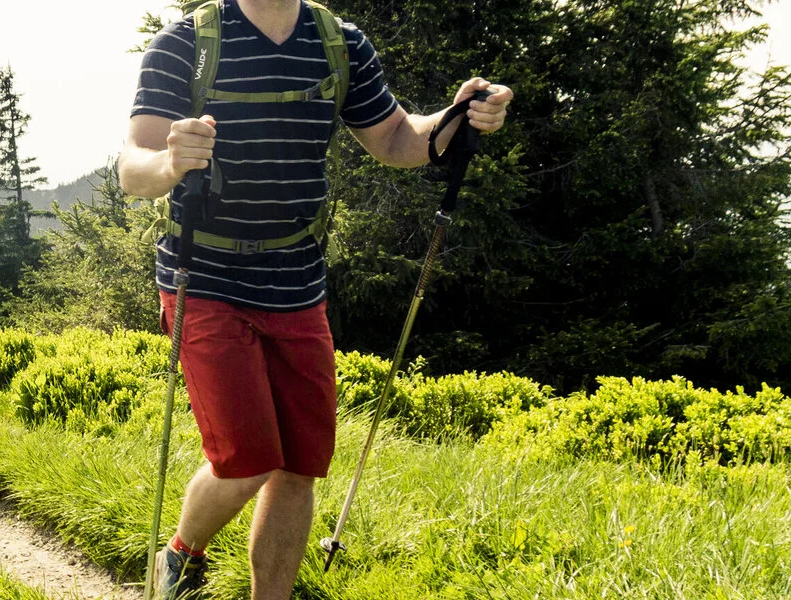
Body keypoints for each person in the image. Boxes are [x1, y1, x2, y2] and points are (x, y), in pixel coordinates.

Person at [117, 1, 513, 597]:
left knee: (298, 465)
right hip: (205, 280)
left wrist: (459, 115)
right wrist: (171, 159)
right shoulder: (187, 44)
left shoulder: (339, 42)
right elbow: (132, 167)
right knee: (247, 458)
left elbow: (396, 138)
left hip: (298, 281)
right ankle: (180, 554)